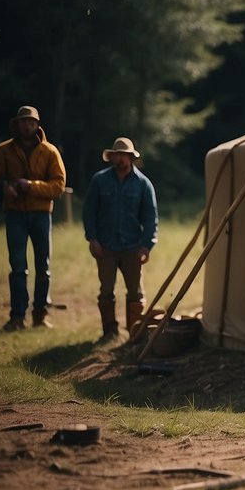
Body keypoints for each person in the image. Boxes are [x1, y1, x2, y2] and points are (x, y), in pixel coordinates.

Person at [0, 105, 67, 331]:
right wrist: (5, 188)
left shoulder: (50, 152)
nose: (27, 125)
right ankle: (17, 317)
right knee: (17, 266)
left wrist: (30, 186)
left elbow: (58, 186)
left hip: (41, 215)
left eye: (31, 122)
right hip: (14, 214)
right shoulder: (3, 150)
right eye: (24, 122)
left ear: (37, 125)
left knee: (43, 266)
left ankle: (40, 314)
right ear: (17, 124)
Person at [83, 137, 158, 343]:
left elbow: (151, 218)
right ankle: (109, 332)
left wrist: (146, 246)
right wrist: (93, 239)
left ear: (131, 157)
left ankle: (135, 333)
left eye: (125, 155)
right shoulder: (99, 180)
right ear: (112, 157)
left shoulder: (143, 184)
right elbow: (89, 212)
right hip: (105, 246)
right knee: (106, 291)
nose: (121, 158)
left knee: (135, 293)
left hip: (133, 248)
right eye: (118, 154)